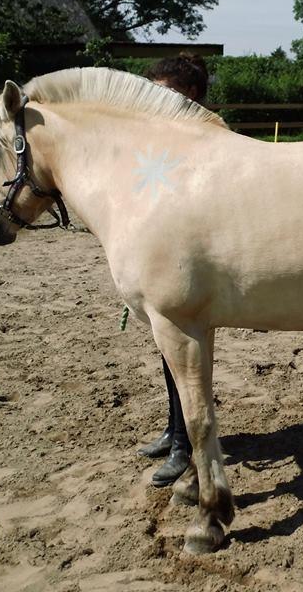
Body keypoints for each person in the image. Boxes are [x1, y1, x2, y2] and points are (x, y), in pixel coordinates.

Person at [137, 53, 209, 487]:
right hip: (167, 259)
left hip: (188, 265)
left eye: (164, 92)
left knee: (181, 356)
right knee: (169, 356)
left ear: (191, 95)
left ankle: (184, 444)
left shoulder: (199, 136)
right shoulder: (165, 137)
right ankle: (174, 430)